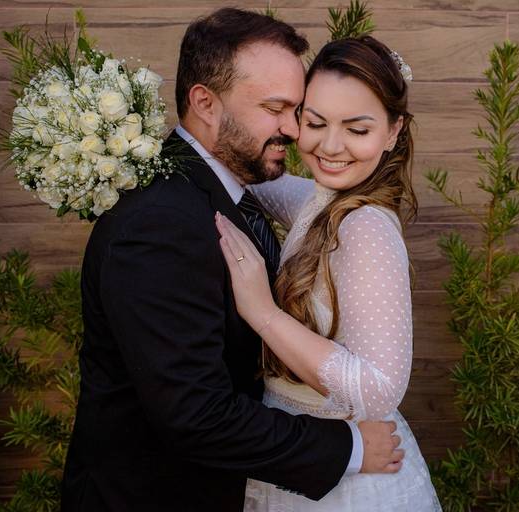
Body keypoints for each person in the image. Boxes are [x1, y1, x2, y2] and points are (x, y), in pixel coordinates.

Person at [61, 9, 403, 512]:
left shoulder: (227, 185)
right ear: (205, 102)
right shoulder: (159, 224)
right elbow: (196, 414)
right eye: (275, 108)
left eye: (298, 111)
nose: (294, 129)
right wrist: (347, 449)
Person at [215, 36, 442, 511]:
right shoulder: (322, 200)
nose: (330, 146)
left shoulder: (365, 228)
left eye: (356, 129)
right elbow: (261, 180)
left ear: (393, 131)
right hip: (300, 453)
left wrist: (263, 313)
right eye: (315, 123)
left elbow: (379, 391)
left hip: (344, 482)